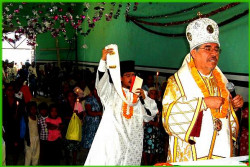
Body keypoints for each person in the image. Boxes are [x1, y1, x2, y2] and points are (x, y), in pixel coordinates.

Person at [162, 18, 244, 162]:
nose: (214, 53)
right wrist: (203, 103)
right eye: (208, 48)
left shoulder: (222, 82)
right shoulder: (176, 82)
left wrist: (234, 107)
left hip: (220, 151)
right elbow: (168, 119)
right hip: (193, 154)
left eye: (216, 49)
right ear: (194, 52)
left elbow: (226, 117)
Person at [84, 45, 158, 165]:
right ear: (120, 78)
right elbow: (101, 83)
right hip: (114, 140)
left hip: (132, 140)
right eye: (128, 75)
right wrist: (103, 61)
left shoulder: (140, 93)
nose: (131, 78)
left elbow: (150, 115)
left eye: (133, 75)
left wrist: (144, 99)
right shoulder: (112, 91)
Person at [24, 101, 40, 166]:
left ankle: (34, 164)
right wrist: (26, 139)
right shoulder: (27, 118)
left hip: (36, 139)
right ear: (28, 110)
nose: (33, 111)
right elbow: (24, 130)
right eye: (31, 109)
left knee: (36, 155)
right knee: (28, 155)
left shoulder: (37, 117)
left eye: (35, 109)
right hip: (29, 139)